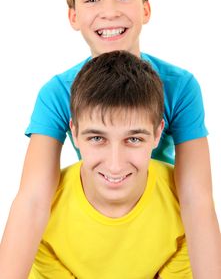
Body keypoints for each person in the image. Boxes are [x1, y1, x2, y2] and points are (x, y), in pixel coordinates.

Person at [0, 0, 220, 279]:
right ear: (73, 17)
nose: (109, 11)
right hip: (98, 217)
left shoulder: (181, 86)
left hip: (159, 225)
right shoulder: (58, 92)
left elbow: (196, 197)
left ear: (146, 10)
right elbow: (32, 199)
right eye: (91, 0)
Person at [29, 50, 193, 279]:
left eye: (134, 139)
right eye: (97, 138)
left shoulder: (185, 203)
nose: (115, 165)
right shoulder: (41, 214)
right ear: (74, 134)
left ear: (158, 134)